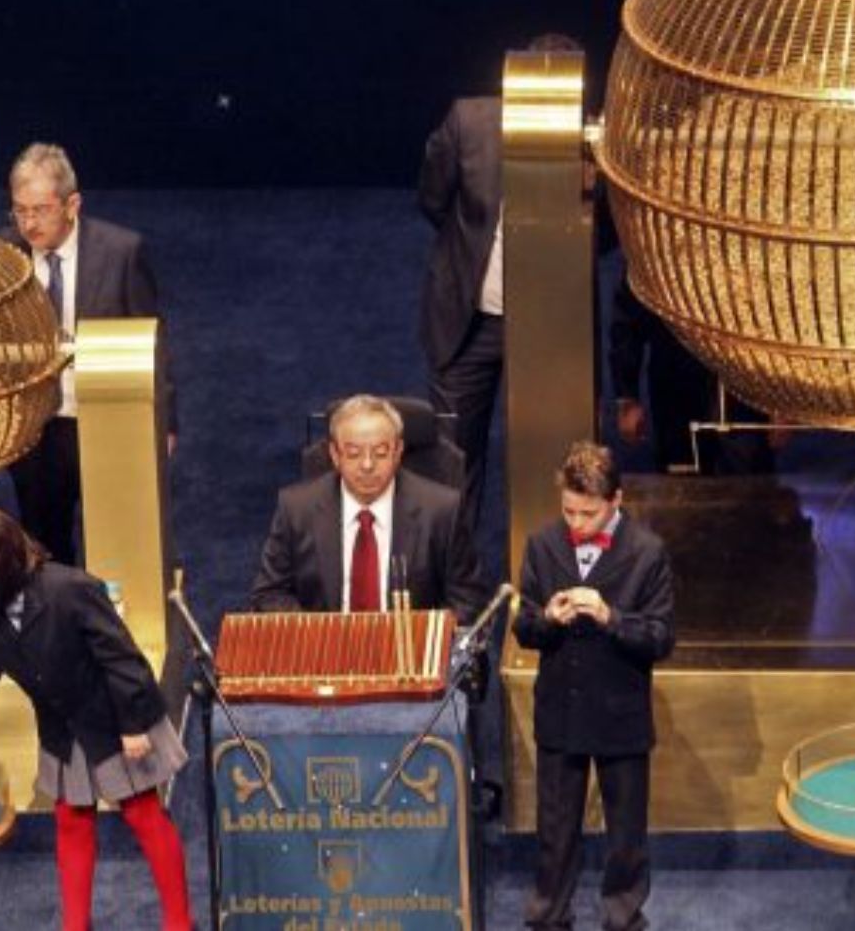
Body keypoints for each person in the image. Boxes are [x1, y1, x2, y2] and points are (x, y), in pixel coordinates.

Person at [0, 507, 192, 931]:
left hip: (115, 721)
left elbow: (123, 659)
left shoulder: (70, 589)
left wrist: (132, 726)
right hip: (62, 732)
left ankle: (179, 923)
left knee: (143, 814)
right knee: (71, 821)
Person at [417, 33, 582, 530]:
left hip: (549, 325)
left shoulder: (586, 134)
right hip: (470, 320)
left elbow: (603, 234)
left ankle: (549, 577)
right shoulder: (469, 122)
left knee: (553, 457)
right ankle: (456, 585)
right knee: (452, 462)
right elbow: (433, 201)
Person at [513, 442, 675, 931]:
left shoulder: (647, 553)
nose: (576, 523)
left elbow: (661, 637)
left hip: (619, 713)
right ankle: (549, 915)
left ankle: (623, 917)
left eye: (588, 513)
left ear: (616, 501)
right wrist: (548, 618)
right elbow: (524, 630)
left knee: (626, 834)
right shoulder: (543, 545)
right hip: (560, 710)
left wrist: (611, 617)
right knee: (555, 831)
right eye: (568, 511)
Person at [3, 142, 177, 566]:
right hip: (34, 429)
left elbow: (149, 341)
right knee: (43, 547)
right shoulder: (2, 255)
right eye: (19, 210)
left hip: (106, 417)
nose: (28, 223)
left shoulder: (121, 253)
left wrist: (164, 419)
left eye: (40, 209)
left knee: (116, 541)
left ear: (72, 204)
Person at [249, 394, 487, 622]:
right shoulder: (297, 508)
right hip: (326, 653)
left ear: (397, 452)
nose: (367, 465)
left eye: (380, 453)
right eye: (353, 453)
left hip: (408, 655)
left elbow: (467, 601)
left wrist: (424, 637)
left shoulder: (441, 510)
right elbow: (269, 594)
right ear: (335, 454)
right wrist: (317, 638)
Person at [608, 275, 777, 476]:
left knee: (749, 483)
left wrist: (781, 405)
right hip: (677, 388)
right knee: (681, 483)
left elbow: (776, 320)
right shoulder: (656, 250)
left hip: (745, 390)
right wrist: (627, 396)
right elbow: (628, 322)